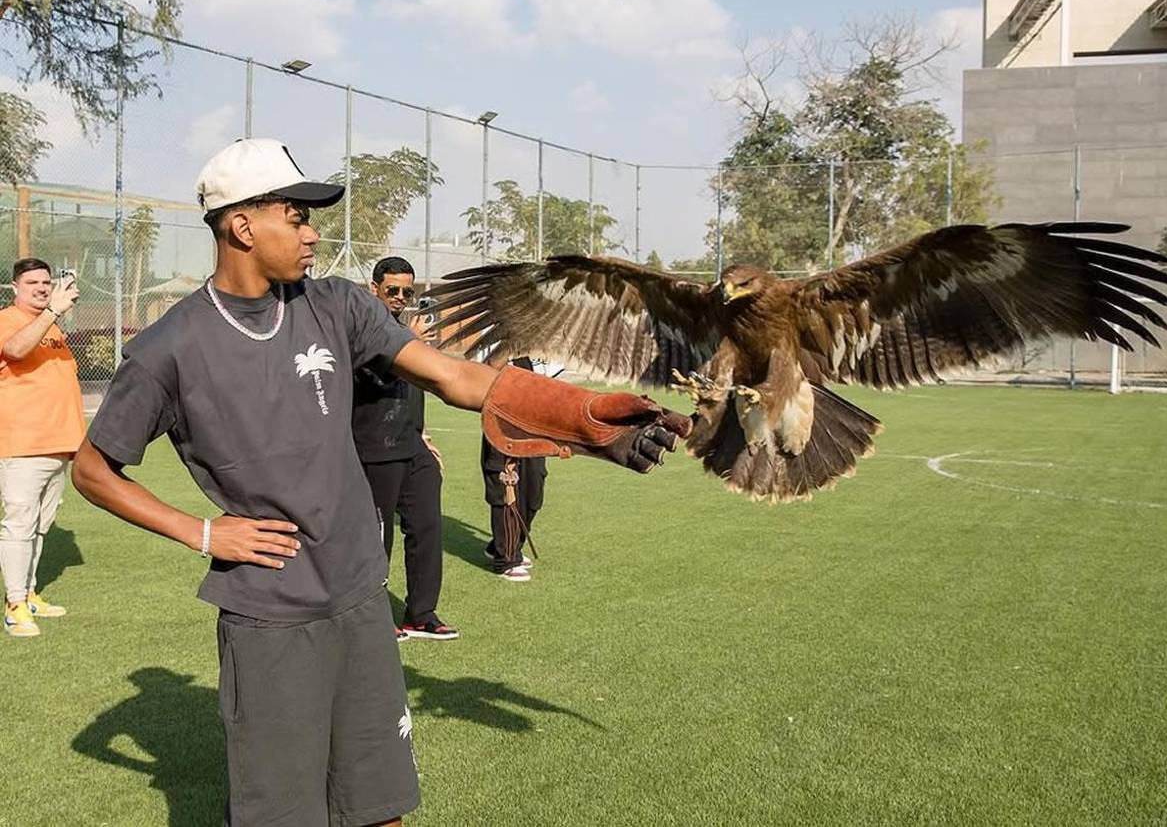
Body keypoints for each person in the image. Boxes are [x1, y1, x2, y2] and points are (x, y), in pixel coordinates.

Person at [71, 137, 690, 826]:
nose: (312, 233)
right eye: (296, 216)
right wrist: (203, 530)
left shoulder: (335, 304)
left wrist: (586, 417)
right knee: (285, 815)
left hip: (362, 592)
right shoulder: (169, 348)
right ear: (242, 226)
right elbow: (93, 469)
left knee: (381, 807)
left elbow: (453, 375)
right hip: (271, 615)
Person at [354, 256, 456, 641]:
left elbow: (418, 388)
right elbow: (374, 378)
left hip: (412, 447)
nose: (399, 297)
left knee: (428, 528)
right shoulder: (361, 331)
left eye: (407, 292)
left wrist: (424, 436)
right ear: (374, 289)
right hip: (374, 448)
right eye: (392, 290)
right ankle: (376, 617)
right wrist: (410, 342)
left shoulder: (406, 332)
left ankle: (421, 614)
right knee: (378, 538)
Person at [0, 258, 85, 637]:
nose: (41, 287)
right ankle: (14, 604)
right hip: (22, 445)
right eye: (32, 281)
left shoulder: (52, 329)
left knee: (39, 526)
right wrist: (52, 311)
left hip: (58, 445)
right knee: (19, 525)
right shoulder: (8, 320)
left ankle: (30, 594)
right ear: (15, 287)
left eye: (46, 282)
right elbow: (16, 351)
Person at [482, 357, 548, 583]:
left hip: (535, 424)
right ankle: (507, 558)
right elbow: (489, 368)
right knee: (506, 489)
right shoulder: (500, 340)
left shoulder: (533, 349)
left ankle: (501, 545)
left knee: (533, 490)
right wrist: (512, 343)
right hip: (503, 423)